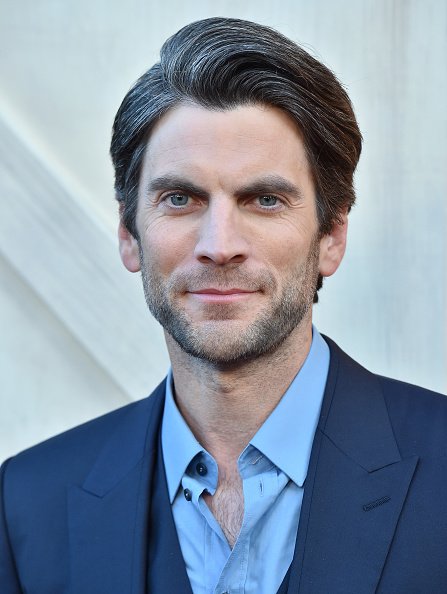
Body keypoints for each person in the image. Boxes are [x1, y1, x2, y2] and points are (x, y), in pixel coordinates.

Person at [1, 16, 446, 594]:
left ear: (331, 237)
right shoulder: (28, 504)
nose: (220, 246)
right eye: (180, 198)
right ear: (129, 235)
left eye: (264, 199)